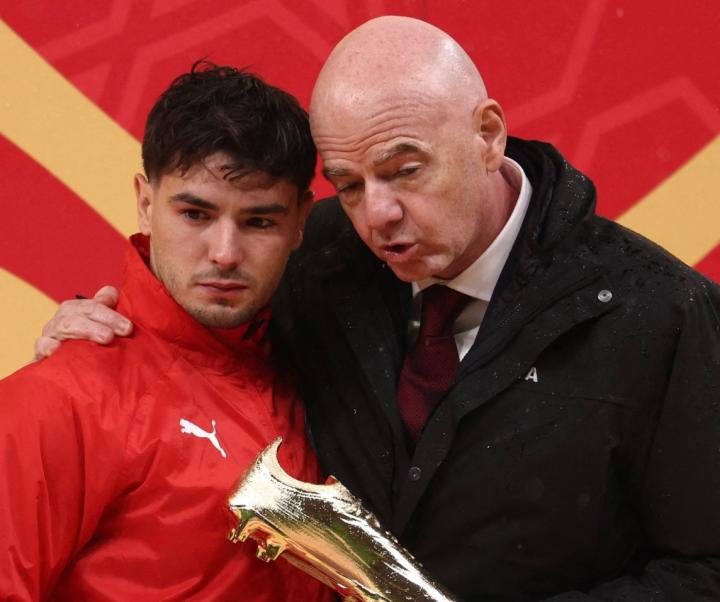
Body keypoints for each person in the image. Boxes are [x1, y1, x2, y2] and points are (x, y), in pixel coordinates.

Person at [34, 17, 720, 602]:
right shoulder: (320, 253)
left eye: (404, 170)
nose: (377, 215)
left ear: (487, 135)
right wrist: (96, 333)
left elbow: (708, 569)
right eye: (348, 184)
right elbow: (202, 331)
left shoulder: (663, 314)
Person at [0, 62, 334, 601]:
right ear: (145, 203)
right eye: (196, 214)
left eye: (259, 221)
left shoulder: (324, 359)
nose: (225, 253)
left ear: (301, 222)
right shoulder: (59, 401)